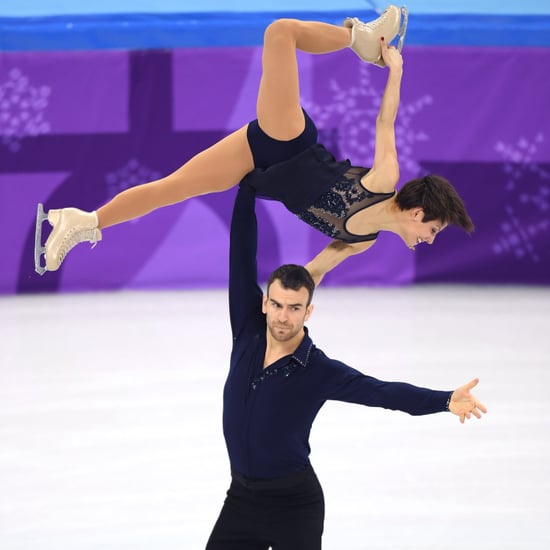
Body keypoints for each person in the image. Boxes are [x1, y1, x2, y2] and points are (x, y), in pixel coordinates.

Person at [34, 6, 473, 281]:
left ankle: (83, 221)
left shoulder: (364, 242)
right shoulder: (384, 181)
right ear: (418, 212)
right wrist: (393, 71)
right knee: (281, 33)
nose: (429, 239)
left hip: (259, 166)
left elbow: (311, 275)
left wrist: (283, 318)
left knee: (170, 189)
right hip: (289, 142)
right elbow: (386, 120)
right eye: (432, 230)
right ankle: (363, 40)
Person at [205, 181, 486, 549]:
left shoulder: (316, 369)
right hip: (240, 499)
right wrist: (246, 188)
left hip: (294, 505)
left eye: (294, 309)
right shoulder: (248, 329)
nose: (283, 317)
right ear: (264, 304)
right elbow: (240, 254)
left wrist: (445, 400)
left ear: (308, 312)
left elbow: (382, 392)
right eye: (276, 305)